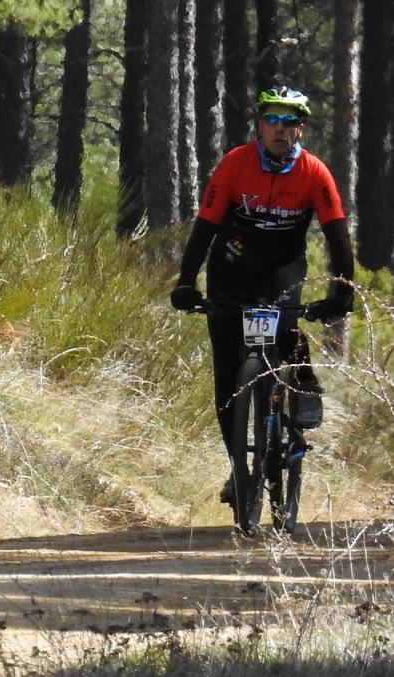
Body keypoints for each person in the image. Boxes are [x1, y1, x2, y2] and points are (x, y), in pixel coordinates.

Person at [170, 86, 354, 506]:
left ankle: (302, 381)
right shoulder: (235, 165)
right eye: (272, 120)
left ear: (300, 130)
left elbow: (338, 237)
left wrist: (340, 293)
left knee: (287, 328)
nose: (280, 129)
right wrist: (185, 282)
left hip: (281, 269)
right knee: (226, 375)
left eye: (289, 122)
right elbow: (205, 227)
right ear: (259, 125)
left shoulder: (314, 173)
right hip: (231, 268)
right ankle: (239, 467)